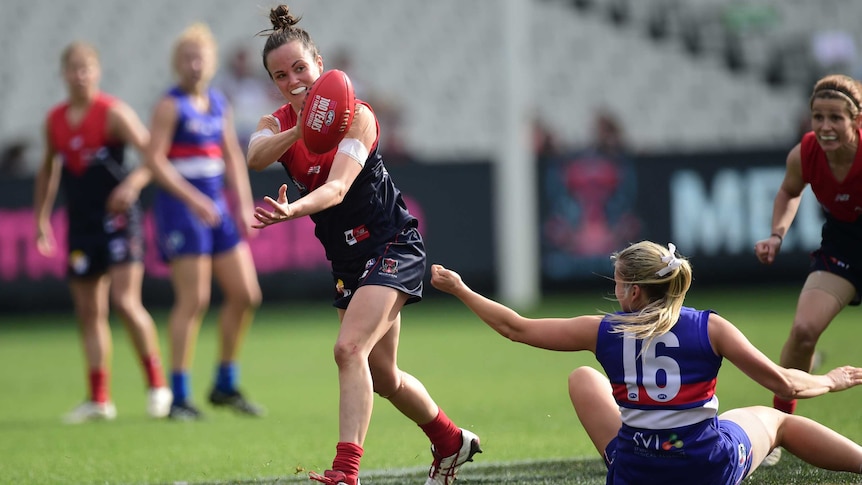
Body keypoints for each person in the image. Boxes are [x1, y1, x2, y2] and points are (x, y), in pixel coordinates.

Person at [247, 5, 480, 485]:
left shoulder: (359, 117)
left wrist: (292, 210)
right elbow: (253, 156)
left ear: (319, 64)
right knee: (384, 375)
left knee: (348, 349)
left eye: (300, 69)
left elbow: (335, 189)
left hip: (393, 243)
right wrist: (300, 123)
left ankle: (345, 472)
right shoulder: (278, 123)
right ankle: (452, 441)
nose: (292, 80)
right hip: (349, 259)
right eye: (280, 75)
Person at [431, 241, 862, 484]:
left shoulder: (604, 330)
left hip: (638, 470)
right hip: (704, 467)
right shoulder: (712, 327)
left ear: (633, 292)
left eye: (618, 281)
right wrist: (831, 379)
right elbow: (787, 384)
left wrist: (461, 289)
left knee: (583, 377)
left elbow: (516, 328)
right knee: (778, 422)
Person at [33, 41, 172, 423]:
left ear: (97, 72)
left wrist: (133, 185)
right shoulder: (55, 121)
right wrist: (42, 218)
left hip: (119, 220)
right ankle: (99, 399)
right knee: (89, 312)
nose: (79, 75)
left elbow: (152, 155)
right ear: (63, 74)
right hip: (81, 223)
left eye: (86, 68)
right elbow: (48, 170)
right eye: (73, 68)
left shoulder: (113, 114)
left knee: (126, 303)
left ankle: (158, 386)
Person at [144, 23, 263, 420]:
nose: (194, 65)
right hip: (183, 210)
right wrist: (194, 199)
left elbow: (231, 155)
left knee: (246, 295)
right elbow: (154, 161)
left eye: (200, 58)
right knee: (194, 300)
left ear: (211, 63)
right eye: (187, 58)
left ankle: (225, 384)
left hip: (216, 209)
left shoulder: (217, 102)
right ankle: (178, 396)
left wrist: (243, 206)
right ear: (177, 63)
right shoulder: (169, 105)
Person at [754, 73, 862, 464]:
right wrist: (776, 236)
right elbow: (789, 190)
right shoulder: (805, 153)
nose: (825, 126)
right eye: (818, 116)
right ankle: (778, 429)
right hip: (844, 246)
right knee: (802, 333)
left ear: (857, 121)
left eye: (836, 118)